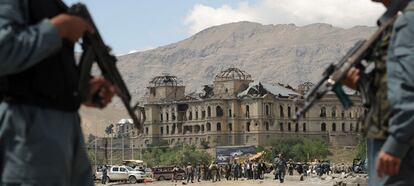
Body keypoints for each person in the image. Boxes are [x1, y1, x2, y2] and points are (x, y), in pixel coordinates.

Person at [0, 0, 116, 185]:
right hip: (29, 130)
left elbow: (41, 68)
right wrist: (59, 28)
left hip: (67, 128)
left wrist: (82, 90)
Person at [344, 0, 414, 185]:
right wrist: (361, 84)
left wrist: (395, 144)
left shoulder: (407, 21)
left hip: (400, 145)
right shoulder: (396, 20)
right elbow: (391, 89)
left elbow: (410, 93)